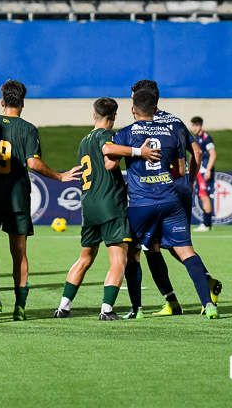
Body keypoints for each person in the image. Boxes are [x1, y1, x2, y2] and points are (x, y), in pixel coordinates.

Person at [113, 89, 219, 320]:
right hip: (171, 199)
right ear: (155, 106)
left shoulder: (126, 133)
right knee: (185, 250)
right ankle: (209, 304)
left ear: (133, 108)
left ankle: (138, 309)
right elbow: (182, 168)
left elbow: (110, 164)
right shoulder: (172, 129)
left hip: (142, 203)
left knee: (137, 253)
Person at [0, 79, 81, 321]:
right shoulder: (27, 129)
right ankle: (20, 306)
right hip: (16, 197)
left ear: (2, 101)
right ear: (22, 103)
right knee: (19, 252)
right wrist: (59, 176)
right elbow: (33, 162)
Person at [54, 98, 160, 320]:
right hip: (110, 203)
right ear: (114, 117)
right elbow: (108, 151)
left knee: (85, 258)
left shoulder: (83, 141)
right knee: (119, 259)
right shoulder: (107, 135)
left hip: (89, 204)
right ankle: (107, 309)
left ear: (94, 115)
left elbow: (107, 162)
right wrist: (139, 152)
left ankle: (63, 306)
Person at [190, 116, 217, 232]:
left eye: (195, 125)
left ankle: (206, 224)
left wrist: (208, 170)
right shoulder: (196, 138)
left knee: (204, 196)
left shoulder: (206, 138)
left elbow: (213, 154)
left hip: (204, 171)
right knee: (202, 196)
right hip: (199, 171)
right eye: (192, 125)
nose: (193, 128)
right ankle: (206, 224)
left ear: (200, 125)